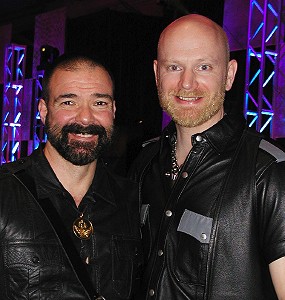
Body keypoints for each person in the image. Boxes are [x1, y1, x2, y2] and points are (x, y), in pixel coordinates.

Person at [129, 14, 285, 299]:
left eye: (203, 66)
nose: (187, 83)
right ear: (156, 73)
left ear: (229, 75)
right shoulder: (145, 162)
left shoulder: (269, 171)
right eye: (174, 67)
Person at [0, 54, 142, 299]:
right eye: (68, 103)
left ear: (114, 111)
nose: (85, 118)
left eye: (99, 103)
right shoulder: (4, 192)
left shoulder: (134, 200)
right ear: (44, 111)